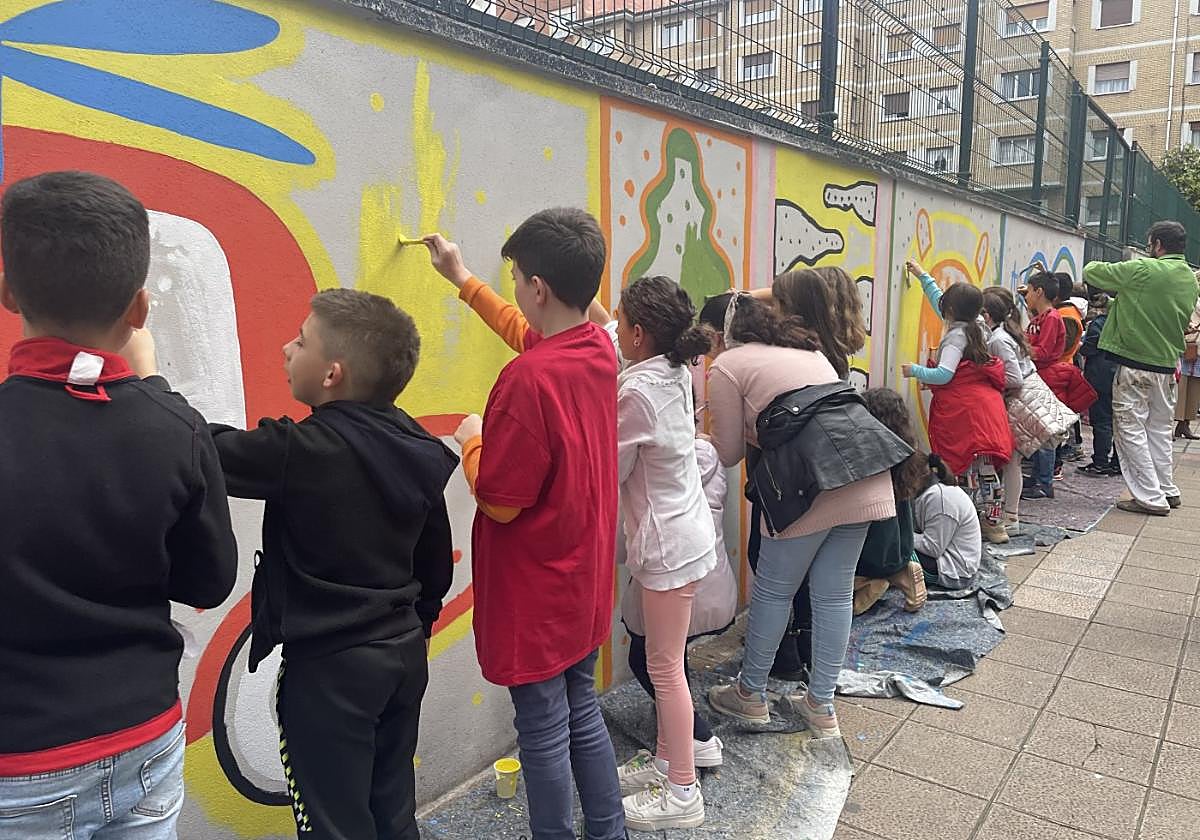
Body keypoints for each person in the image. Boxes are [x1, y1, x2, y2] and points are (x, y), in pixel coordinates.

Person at [0, 171, 238, 837]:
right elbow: (208, 580)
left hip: (19, 761)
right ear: (139, 309)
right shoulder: (176, 426)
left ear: (7, 290)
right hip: (144, 740)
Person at [204, 289, 457, 839]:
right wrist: (418, 628)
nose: (286, 348)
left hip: (329, 672)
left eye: (301, 340)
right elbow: (436, 561)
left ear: (331, 375)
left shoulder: (300, 449)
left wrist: (147, 383)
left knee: (331, 826)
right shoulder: (415, 441)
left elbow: (205, 450)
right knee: (391, 813)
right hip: (400, 655)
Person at [423, 210, 627, 840]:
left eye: (513, 276)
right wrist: (460, 277)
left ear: (538, 286)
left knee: (540, 733)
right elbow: (525, 331)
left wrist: (472, 443)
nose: (510, 286)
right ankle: (608, 829)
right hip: (581, 581)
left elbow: (502, 502)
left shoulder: (527, 380)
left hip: (538, 592)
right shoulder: (597, 350)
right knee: (581, 711)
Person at [699, 293, 901, 739]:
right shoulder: (807, 350)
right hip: (864, 469)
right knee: (833, 595)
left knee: (773, 590)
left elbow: (728, 452)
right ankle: (820, 705)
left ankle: (750, 695)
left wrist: (697, 431)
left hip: (807, 485)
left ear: (719, 335)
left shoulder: (727, 366)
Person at [617, 439, 736, 812]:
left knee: (662, 669)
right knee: (669, 666)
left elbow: (628, 543)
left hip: (672, 575)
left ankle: (684, 782)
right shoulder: (702, 454)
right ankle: (670, 763)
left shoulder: (656, 468)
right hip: (707, 581)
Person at [1084, 220, 1200, 516]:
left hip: (1135, 365)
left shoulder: (1144, 270)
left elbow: (1093, 271)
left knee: (1129, 428)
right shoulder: (1189, 277)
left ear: (1157, 244)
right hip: (1166, 365)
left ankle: (1149, 497)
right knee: (1159, 429)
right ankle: (1166, 488)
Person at [901, 260, 1014, 545]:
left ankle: (973, 523)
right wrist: (921, 275)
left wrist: (914, 370)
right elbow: (941, 299)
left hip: (967, 414)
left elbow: (943, 374)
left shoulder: (955, 337)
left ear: (950, 311)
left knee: (968, 472)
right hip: (987, 410)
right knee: (987, 470)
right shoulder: (978, 325)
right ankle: (994, 523)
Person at [851, 388, 931, 615]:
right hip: (901, 549)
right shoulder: (909, 457)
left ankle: (869, 583)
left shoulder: (868, 461)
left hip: (870, 557)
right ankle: (901, 573)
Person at [1022, 271, 1068, 499]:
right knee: (1038, 432)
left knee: (1046, 434)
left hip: (1047, 379)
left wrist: (1023, 350)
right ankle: (1038, 478)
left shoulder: (1051, 318)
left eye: (1029, 291)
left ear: (1039, 292)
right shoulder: (1041, 316)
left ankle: (1044, 481)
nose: (1027, 295)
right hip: (1038, 377)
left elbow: (1045, 351)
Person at [913, 455, 983, 590]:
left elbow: (932, 547)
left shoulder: (940, 498)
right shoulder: (932, 492)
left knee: (895, 552)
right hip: (946, 560)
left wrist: (901, 535)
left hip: (954, 572)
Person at [1078, 294, 1121, 476]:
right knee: (1120, 422)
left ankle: (1100, 462)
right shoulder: (1127, 323)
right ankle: (1118, 463)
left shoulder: (1100, 323)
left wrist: (1081, 346)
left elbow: (1090, 346)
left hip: (1100, 374)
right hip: (1121, 374)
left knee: (1102, 420)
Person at [1174, 278, 1200, 440]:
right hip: (1189, 345)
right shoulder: (1191, 299)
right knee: (1180, 387)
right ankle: (1175, 424)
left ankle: (1185, 425)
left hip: (1197, 348)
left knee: (1194, 389)